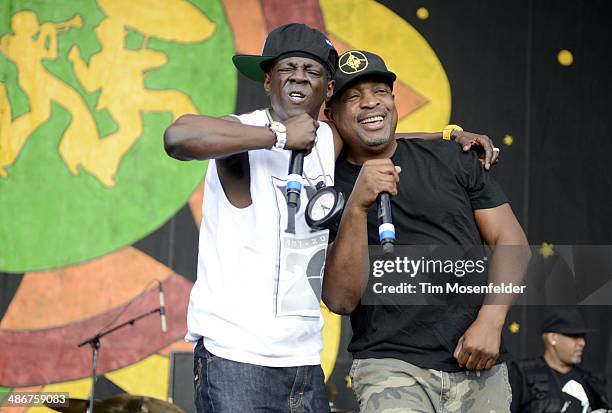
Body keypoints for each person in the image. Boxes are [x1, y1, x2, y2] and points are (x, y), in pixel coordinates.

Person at [164, 25, 498, 412]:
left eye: (314, 70)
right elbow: (178, 136)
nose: (300, 76)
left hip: (303, 359)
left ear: (327, 91)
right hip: (236, 354)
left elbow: (374, 133)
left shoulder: (327, 139)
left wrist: (448, 135)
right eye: (289, 67)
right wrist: (277, 135)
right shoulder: (242, 133)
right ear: (268, 80)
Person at [322, 50, 531, 412]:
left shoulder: (453, 158)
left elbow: (511, 241)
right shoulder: (327, 185)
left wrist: (491, 322)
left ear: (393, 99)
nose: (370, 103)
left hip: (477, 362)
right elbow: (341, 301)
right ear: (331, 114)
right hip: (389, 365)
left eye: (380, 91)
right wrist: (356, 205)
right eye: (352, 97)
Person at [509, 307, 611, 413]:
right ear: (553, 338)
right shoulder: (523, 374)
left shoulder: (590, 381)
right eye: (574, 336)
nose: (582, 343)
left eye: (582, 337)